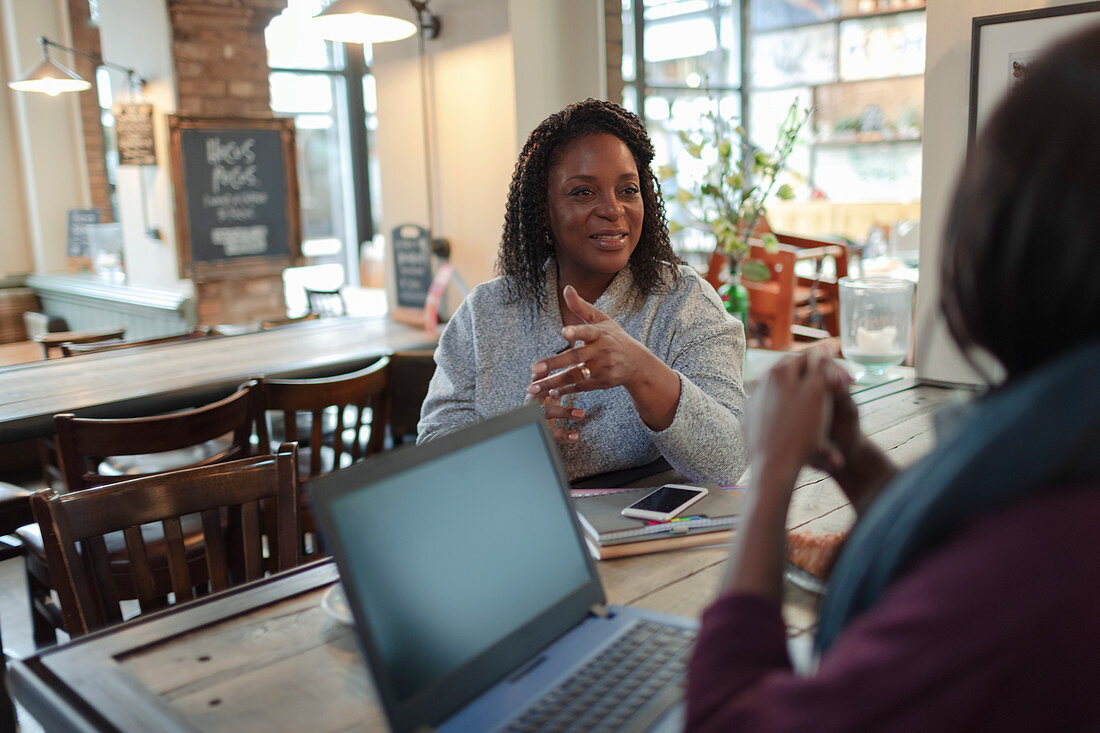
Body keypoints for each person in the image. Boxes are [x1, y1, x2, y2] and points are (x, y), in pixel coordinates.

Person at [686, 25, 1100, 730]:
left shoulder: (1035, 582)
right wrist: (858, 462)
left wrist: (772, 472)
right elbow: (965, 540)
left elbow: (732, 717)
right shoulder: (1062, 451)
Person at [417, 99, 747, 485]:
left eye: (628, 189)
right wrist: (511, 447)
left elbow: (728, 461)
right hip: (519, 522)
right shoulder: (485, 312)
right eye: (582, 193)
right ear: (544, 210)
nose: (613, 209)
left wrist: (641, 371)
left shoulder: (685, 302)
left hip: (647, 530)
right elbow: (434, 451)